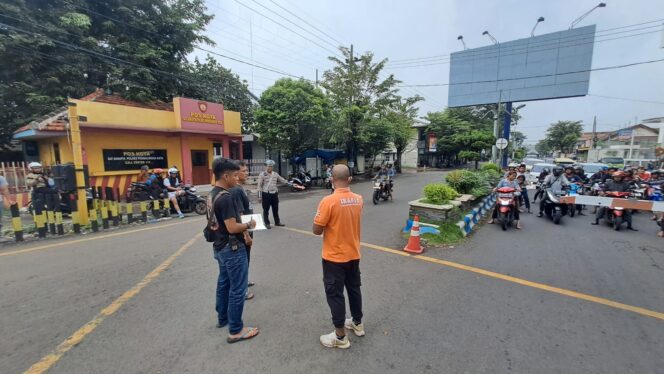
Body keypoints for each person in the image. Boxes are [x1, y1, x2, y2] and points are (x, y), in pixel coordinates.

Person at [313, 164, 365, 349]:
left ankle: (340, 337)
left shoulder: (328, 201)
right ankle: (357, 323)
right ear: (349, 179)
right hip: (353, 254)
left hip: (334, 257)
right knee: (354, 289)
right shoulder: (358, 199)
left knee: (335, 294)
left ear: (331, 180)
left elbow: (316, 229)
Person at [209, 157, 258, 344]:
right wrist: (248, 225)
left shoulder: (212, 194)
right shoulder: (227, 197)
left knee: (224, 282)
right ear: (226, 175)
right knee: (238, 288)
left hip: (219, 247)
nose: (237, 179)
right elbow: (232, 227)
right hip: (232, 248)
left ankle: (223, 318)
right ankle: (236, 330)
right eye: (235, 176)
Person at [230, 161, 255, 300]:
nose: (246, 173)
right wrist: (246, 234)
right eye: (243, 171)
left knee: (246, 258)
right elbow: (239, 214)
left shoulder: (240, 188)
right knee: (243, 259)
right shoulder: (236, 190)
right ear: (236, 173)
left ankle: (245, 281)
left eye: (247, 171)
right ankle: (242, 289)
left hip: (248, 226)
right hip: (243, 229)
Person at [257, 160, 288, 229]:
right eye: (268, 166)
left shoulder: (275, 174)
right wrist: (259, 196)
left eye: (271, 166)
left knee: (275, 209)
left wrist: (290, 183)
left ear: (272, 167)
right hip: (266, 194)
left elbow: (282, 180)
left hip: (274, 194)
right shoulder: (262, 174)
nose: (270, 168)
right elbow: (259, 186)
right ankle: (267, 223)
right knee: (266, 210)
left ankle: (277, 222)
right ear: (266, 167)